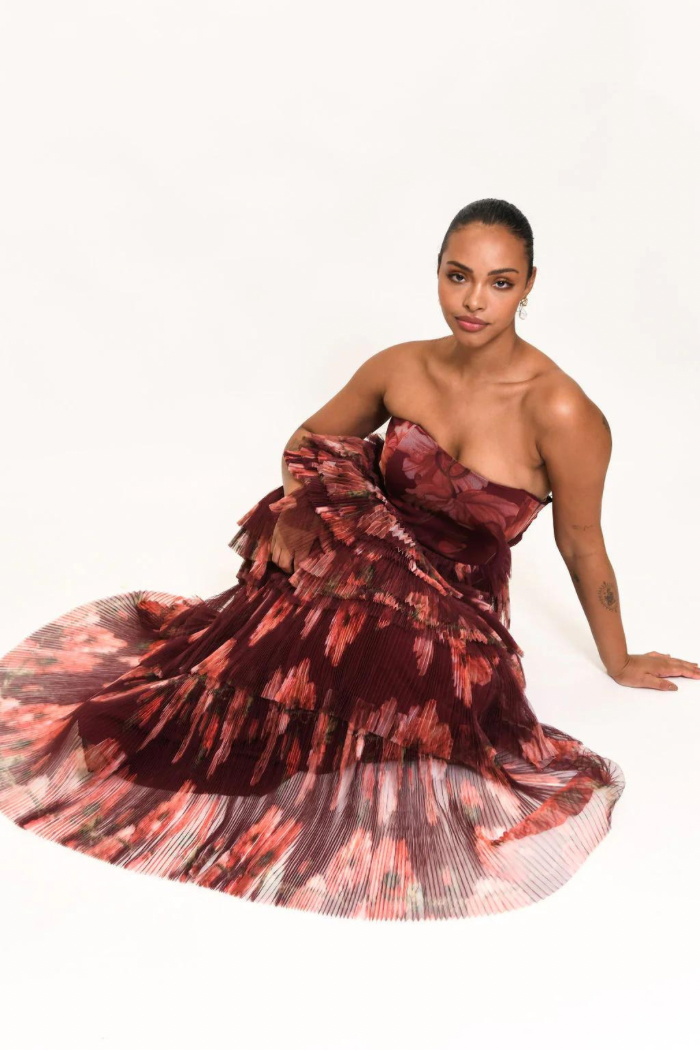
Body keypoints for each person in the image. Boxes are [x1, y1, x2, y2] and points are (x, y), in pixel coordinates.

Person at [1, 198, 697, 922]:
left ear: (528, 285)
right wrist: (300, 506)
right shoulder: (401, 366)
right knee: (266, 648)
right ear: (437, 272)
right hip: (360, 557)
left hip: (450, 605)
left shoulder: (563, 412)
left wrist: (618, 659)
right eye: (458, 276)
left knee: (396, 684)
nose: (473, 301)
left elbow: (582, 542)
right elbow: (308, 441)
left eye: (499, 282)